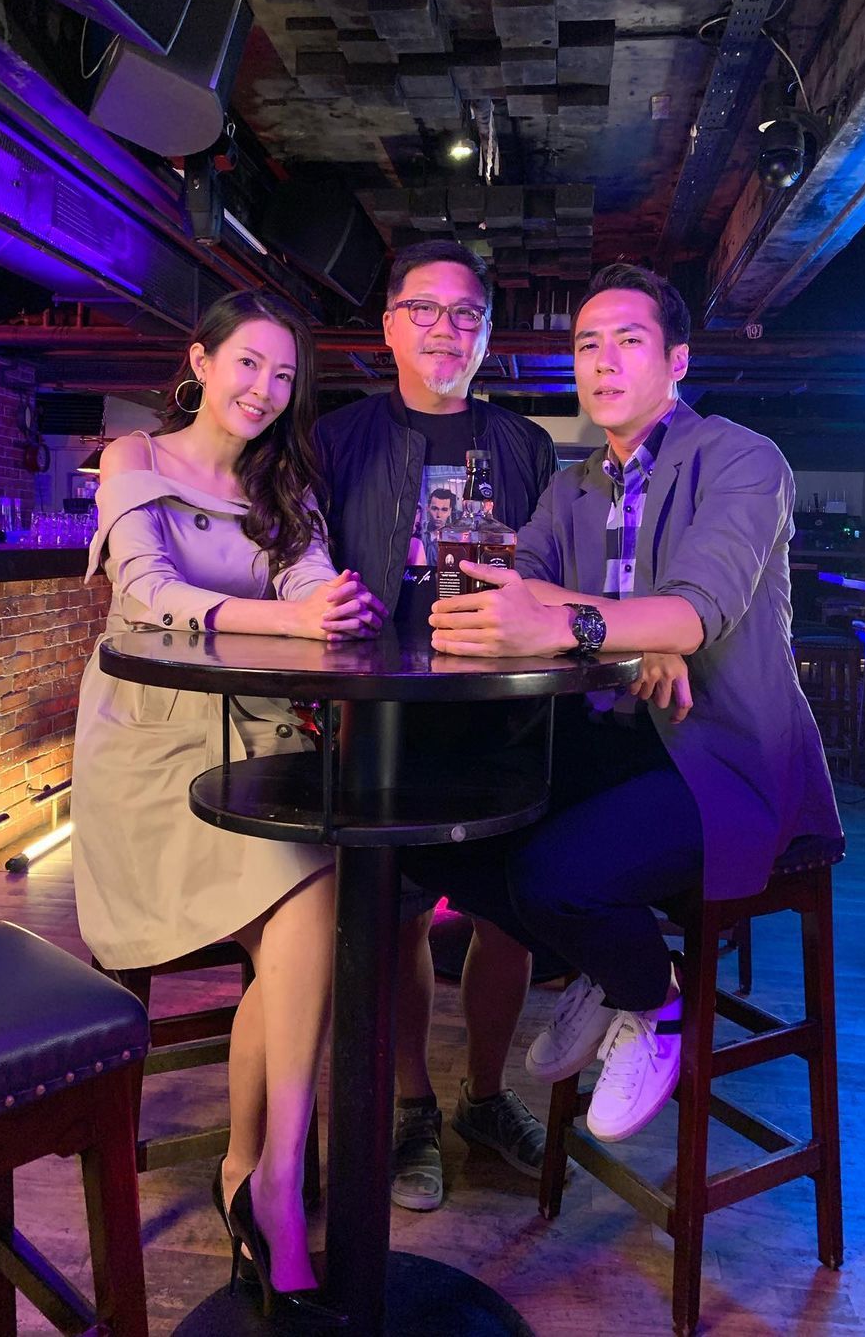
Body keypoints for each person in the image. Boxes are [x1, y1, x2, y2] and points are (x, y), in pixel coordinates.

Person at [429, 261, 842, 1143]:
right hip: (612, 742)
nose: (604, 361)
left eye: (629, 340)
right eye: (588, 344)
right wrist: (625, 626)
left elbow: (694, 611)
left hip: (724, 758)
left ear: (677, 360)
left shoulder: (742, 460)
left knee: (555, 876)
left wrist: (596, 624)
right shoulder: (574, 483)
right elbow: (513, 581)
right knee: (442, 836)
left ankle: (654, 1005)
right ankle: (602, 964)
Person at [72, 290, 384, 1325]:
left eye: (285, 375)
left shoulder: (282, 482)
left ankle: (267, 1174)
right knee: (307, 899)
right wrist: (291, 620)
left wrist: (332, 605)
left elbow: (312, 583)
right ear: (200, 361)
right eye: (249, 363)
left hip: (259, 738)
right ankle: (263, 1185)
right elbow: (149, 595)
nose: (265, 389)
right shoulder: (134, 458)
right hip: (150, 749)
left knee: (314, 895)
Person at [314, 240, 558, 1211]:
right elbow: (296, 568)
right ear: (388, 326)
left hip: (502, 719)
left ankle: (484, 1098)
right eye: (423, 309)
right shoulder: (338, 440)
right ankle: (413, 1107)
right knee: (399, 918)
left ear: (487, 335)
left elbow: (554, 578)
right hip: (383, 726)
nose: (445, 329)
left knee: (510, 914)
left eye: (465, 314)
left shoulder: (526, 446)